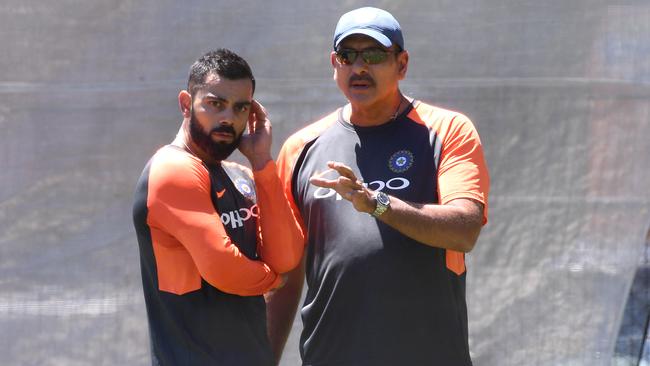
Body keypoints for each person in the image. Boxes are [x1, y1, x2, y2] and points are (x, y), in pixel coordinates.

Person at [266, 7, 490, 366]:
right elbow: (286, 273)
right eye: (347, 56)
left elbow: (464, 230)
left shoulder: (447, 131)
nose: (359, 67)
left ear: (401, 64)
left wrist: (376, 203)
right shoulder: (301, 148)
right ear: (333, 64)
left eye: (373, 55)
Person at [132, 49, 303, 365]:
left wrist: (262, 162)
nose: (229, 118)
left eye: (241, 108)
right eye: (215, 104)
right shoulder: (173, 169)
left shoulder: (240, 175)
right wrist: (273, 280)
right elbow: (225, 269)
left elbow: (288, 256)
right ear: (186, 104)